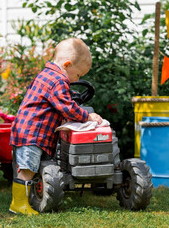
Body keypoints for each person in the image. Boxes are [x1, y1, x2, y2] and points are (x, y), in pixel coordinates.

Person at [9, 38, 102, 215]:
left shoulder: (48, 75)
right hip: (32, 134)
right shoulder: (58, 81)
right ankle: (18, 205)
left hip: (30, 132)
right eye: (78, 75)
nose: (78, 79)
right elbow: (66, 107)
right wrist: (87, 116)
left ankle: (26, 201)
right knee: (28, 170)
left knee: (32, 168)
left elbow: (61, 97)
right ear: (67, 65)